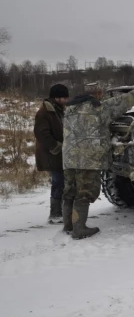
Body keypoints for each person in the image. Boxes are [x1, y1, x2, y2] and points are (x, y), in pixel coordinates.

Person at [62, 83, 134, 239]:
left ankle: (68, 226)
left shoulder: (69, 110)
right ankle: (79, 229)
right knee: (84, 193)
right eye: (100, 94)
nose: (101, 97)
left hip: (69, 157)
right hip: (89, 158)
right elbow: (123, 102)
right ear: (95, 95)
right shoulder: (99, 108)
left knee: (70, 191)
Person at [34, 84, 70, 224]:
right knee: (58, 183)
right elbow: (41, 134)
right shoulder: (45, 112)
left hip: (57, 153)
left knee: (61, 182)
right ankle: (55, 214)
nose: (66, 100)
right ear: (56, 97)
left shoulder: (57, 110)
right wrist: (56, 146)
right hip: (51, 154)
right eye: (64, 97)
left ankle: (60, 212)